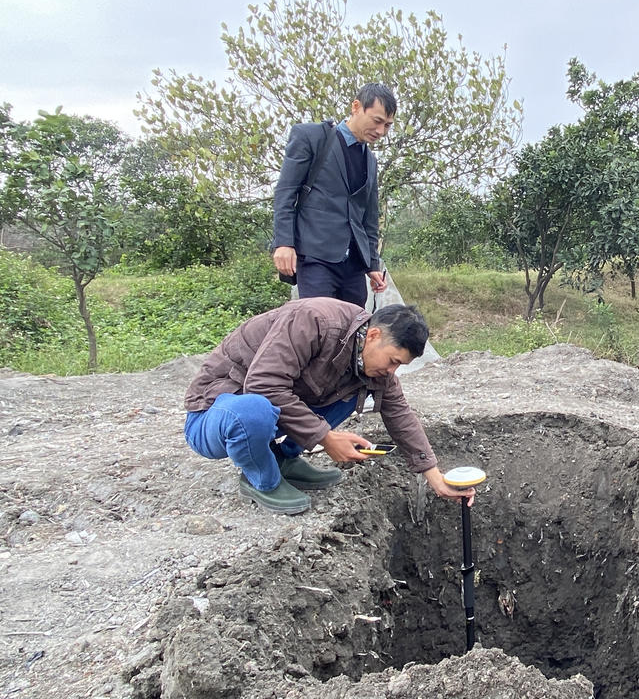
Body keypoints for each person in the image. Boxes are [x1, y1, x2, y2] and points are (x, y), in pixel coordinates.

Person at [182, 299, 473, 514]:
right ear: (374, 335)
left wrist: (434, 475)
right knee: (253, 410)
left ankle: (284, 459)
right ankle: (262, 478)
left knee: (350, 393)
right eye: (393, 361)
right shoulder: (314, 320)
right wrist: (325, 437)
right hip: (214, 416)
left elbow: (399, 413)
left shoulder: (365, 355)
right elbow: (262, 384)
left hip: (263, 413)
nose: (392, 371)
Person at [271, 83, 396, 306]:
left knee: (354, 325)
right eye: (377, 121)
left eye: (387, 125)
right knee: (319, 321)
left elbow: (369, 217)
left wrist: (372, 265)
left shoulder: (370, 161)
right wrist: (283, 243)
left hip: (353, 265)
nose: (380, 131)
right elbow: (286, 192)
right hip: (315, 257)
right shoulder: (312, 137)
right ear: (356, 107)